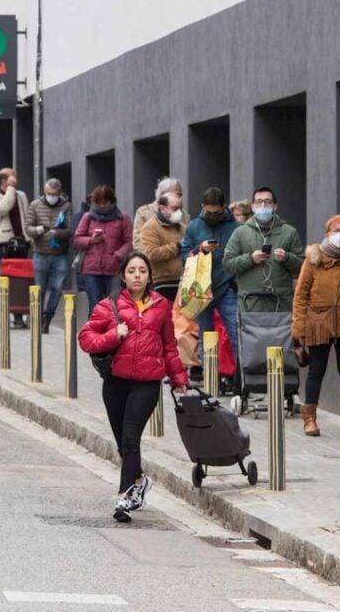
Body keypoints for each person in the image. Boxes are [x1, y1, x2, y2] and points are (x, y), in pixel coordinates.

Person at [78, 251, 188, 522]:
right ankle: (139, 480)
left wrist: (179, 379)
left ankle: (124, 498)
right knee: (122, 444)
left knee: (130, 438)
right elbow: (86, 338)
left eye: (142, 270)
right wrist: (113, 335)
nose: (137, 275)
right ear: (123, 276)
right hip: (115, 383)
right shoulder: (109, 306)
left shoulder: (162, 306)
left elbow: (169, 345)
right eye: (132, 271)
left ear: (150, 275)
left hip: (147, 384)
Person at [292, 214, 340, 436]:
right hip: (318, 323)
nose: (339, 236)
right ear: (327, 233)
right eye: (335, 231)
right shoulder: (313, 260)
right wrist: (298, 329)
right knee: (316, 369)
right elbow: (301, 296)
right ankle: (309, 418)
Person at [223, 186, 304, 314]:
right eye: (259, 202)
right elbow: (228, 264)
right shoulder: (240, 233)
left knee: (281, 334)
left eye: (267, 202)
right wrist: (250, 259)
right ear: (253, 206)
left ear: (275, 206)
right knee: (250, 334)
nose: (263, 205)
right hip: (250, 303)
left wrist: (287, 258)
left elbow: (302, 266)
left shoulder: (289, 232)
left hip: (281, 303)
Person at [181, 187, 240, 362]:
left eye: (216, 212)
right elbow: (184, 258)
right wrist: (201, 249)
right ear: (202, 207)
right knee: (206, 340)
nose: (212, 215)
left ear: (224, 207)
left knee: (237, 336)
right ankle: (210, 382)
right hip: (200, 290)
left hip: (227, 287)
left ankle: (241, 382)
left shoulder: (236, 228)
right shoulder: (193, 228)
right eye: (209, 212)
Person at [73, 185, 133, 314]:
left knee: (114, 305)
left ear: (111, 201)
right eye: (98, 203)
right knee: (94, 304)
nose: (101, 206)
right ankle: (94, 332)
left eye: (104, 203)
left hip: (114, 270)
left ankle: (113, 331)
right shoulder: (88, 217)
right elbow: (77, 239)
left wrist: (117, 256)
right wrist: (91, 240)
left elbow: (129, 242)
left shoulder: (123, 218)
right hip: (91, 269)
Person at [25, 178, 73, 334]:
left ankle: (47, 318)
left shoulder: (66, 206)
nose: (51, 196)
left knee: (57, 288)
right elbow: (27, 227)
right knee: (40, 288)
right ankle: (37, 319)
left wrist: (58, 233)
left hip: (60, 254)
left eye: (54, 194)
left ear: (59, 193)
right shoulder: (35, 205)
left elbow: (70, 230)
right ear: (44, 192)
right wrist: (36, 230)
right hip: (40, 252)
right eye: (48, 193)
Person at [0, 168, 31, 325]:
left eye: (15, 177)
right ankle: (2, 315)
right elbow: (3, 208)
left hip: (22, 242)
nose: (15, 181)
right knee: (4, 278)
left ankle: (19, 315)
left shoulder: (21, 195)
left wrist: (29, 238)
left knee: (21, 279)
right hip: (4, 242)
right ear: (3, 182)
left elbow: (26, 215)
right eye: (12, 178)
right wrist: (11, 189)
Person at [139, 191, 186, 302]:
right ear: (162, 208)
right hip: (161, 282)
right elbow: (151, 254)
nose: (179, 212)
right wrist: (177, 247)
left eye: (180, 208)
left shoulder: (182, 227)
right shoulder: (150, 227)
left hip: (181, 281)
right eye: (174, 208)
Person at [133, 177, 189, 249]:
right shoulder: (144, 213)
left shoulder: (184, 215)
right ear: (163, 195)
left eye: (180, 195)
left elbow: (189, 242)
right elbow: (138, 243)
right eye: (177, 194)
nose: (179, 198)